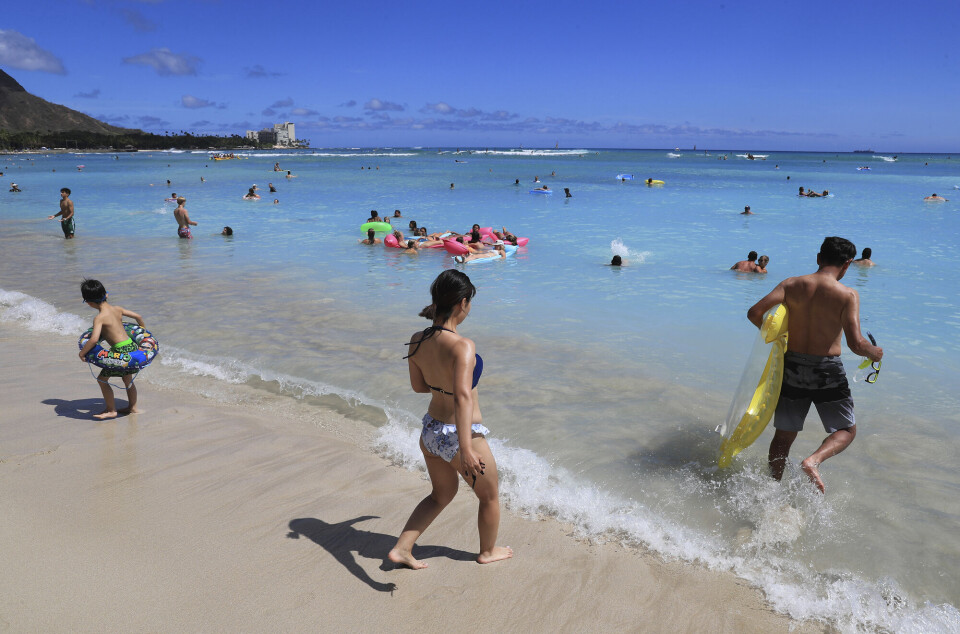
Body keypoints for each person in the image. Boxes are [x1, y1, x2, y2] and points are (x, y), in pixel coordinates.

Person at [389, 270, 513, 568]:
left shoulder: (418, 339)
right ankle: (487, 551)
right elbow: (462, 397)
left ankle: (402, 548)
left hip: (431, 431)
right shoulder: (463, 345)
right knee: (490, 496)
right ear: (463, 303)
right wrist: (467, 448)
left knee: (440, 495)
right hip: (460, 435)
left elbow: (419, 387)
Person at [747, 237, 883, 493]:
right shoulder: (848, 294)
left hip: (793, 365)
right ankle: (813, 460)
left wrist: (778, 337)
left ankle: (771, 489)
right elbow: (856, 344)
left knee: (784, 435)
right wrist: (875, 353)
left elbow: (754, 313)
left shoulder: (791, 284)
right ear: (848, 264)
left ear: (819, 258)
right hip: (827, 370)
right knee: (846, 430)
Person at [78, 279, 145, 420]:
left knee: (102, 380)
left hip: (120, 353)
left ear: (89, 303)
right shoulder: (117, 309)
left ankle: (111, 410)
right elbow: (138, 316)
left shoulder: (99, 318)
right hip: (132, 346)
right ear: (106, 295)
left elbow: (94, 339)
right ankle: (133, 407)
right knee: (128, 380)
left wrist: (82, 352)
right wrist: (143, 333)